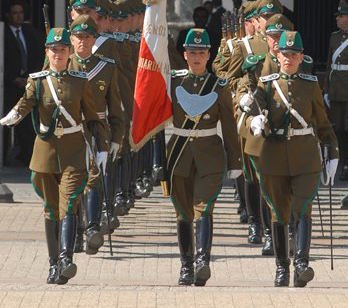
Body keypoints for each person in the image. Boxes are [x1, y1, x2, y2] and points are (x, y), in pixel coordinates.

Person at [0, 28, 109, 284]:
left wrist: (102, 148)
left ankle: (65, 258)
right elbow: (26, 103)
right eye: (54, 50)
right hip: (46, 154)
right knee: (51, 210)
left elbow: (94, 119)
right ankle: (53, 264)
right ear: (47, 53)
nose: (58, 54)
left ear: (69, 53)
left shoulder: (81, 81)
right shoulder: (37, 80)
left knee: (69, 204)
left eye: (62, 50)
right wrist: (11, 117)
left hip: (73, 152)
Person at [247, 31, 338, 287]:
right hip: (274, 157)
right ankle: (281, 267)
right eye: (285, 54)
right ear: (277, 55)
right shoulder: (266, 83)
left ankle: (301, 263)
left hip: (305, 157)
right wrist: (255, 118)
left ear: (301, 57)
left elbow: (322, 121)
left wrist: (333, 151)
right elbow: (257, 106)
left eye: (294, 54)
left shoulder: (310, 84)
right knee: (278, 213)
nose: (289, 58)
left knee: (303, 209)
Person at [169, 28, 242, 286]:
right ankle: (186, 266)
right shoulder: (173, 82)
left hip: (209, 154)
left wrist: (235, 161)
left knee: (204, 207)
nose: (197, 57)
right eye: (192, 52)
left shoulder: (219, 86)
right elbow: (155, 122)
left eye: (201, 52)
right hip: (178, 155)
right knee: (183, 213)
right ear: (185, 55)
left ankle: (202, 261)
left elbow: (230, 127)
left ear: (209, 55)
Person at [69, 15, 125, 254]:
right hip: (71, 132)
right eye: (79, 37)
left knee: (93, 179)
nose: (83, 41)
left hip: (97, 132)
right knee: (73, 185)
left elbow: (116, 107)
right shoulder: (62, 64)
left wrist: (116, 138)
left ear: (94, 39)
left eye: (88, 37)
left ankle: (92, 228)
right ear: (71, 39)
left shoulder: (107, 67)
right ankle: (75, 236)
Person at [3, 1, 45, 165]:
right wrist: (12, 78)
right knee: (7, 120)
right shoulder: (3, 33)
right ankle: (4, 157)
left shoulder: (30, 32)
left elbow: (37, 56)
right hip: (8, 86)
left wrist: (30, 77)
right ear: (8, 15)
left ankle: (27, 155)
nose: (18, 16)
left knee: (27, 122)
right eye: (15, 13)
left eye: (21, 12)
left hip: (27, 83)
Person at [325, 1, 348, 188]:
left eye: (341, 16)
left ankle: (346, 164)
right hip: (335, 91)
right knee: (338, 128)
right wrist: (326, 89)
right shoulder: (334, 37)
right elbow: (328, 65)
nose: (338, 19)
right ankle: (341, 160)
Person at [176, 7, 218, 72]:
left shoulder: (214, 36)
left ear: (207, 18)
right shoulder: (184, 34)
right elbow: (178, 54)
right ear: (193, 17)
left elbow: (215, 56)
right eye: (197, 17)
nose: (200, 19)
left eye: (203, 17)